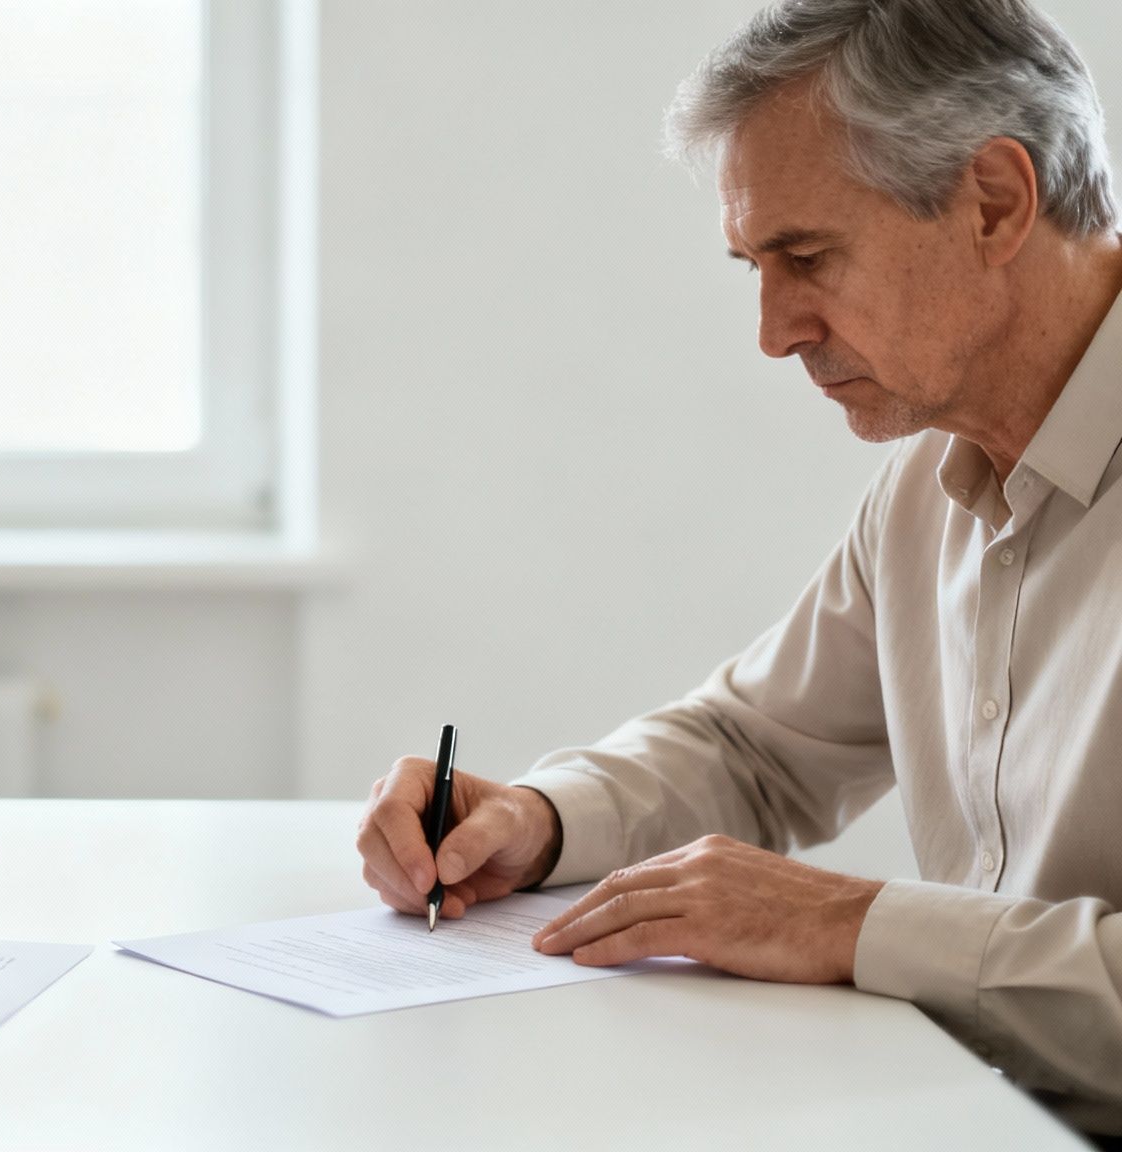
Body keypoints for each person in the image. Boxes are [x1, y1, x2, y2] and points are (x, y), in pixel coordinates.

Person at [355, 0, 1122, 1138]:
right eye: (752, 264)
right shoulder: (929, 487)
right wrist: (539, 819)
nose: (771, 331)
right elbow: (753, 747)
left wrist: (848, 925)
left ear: (993, 203)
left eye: (805, 256)